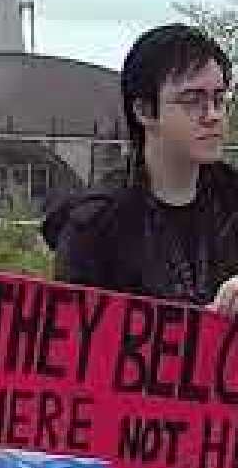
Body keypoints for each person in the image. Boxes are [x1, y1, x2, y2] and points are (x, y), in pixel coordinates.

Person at [43, 24, 237, 309]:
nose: (212, 116)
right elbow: (76, 341)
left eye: (219, 100)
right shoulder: (96, 226)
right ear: (144, 111)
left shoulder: (231, 201)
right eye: (192, 101)